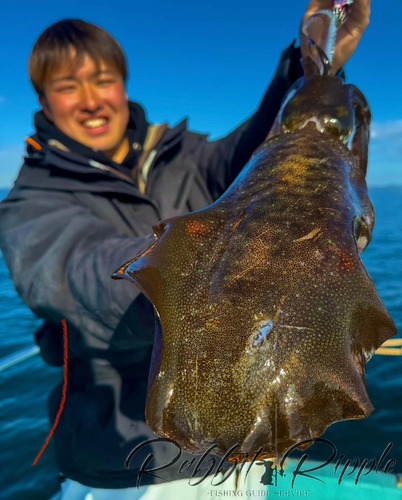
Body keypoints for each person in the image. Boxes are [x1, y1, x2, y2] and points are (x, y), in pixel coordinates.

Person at [0, 1, 370, 498]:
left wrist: (307, 66)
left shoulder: (185, 157)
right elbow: (77, 278)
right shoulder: (31, 202)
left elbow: (258, 150)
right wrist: (197, 265)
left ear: (123, 84)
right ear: (44, 101)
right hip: (122, 468)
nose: (90, 100)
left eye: (102, 80)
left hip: (237, 457)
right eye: (67, 86)